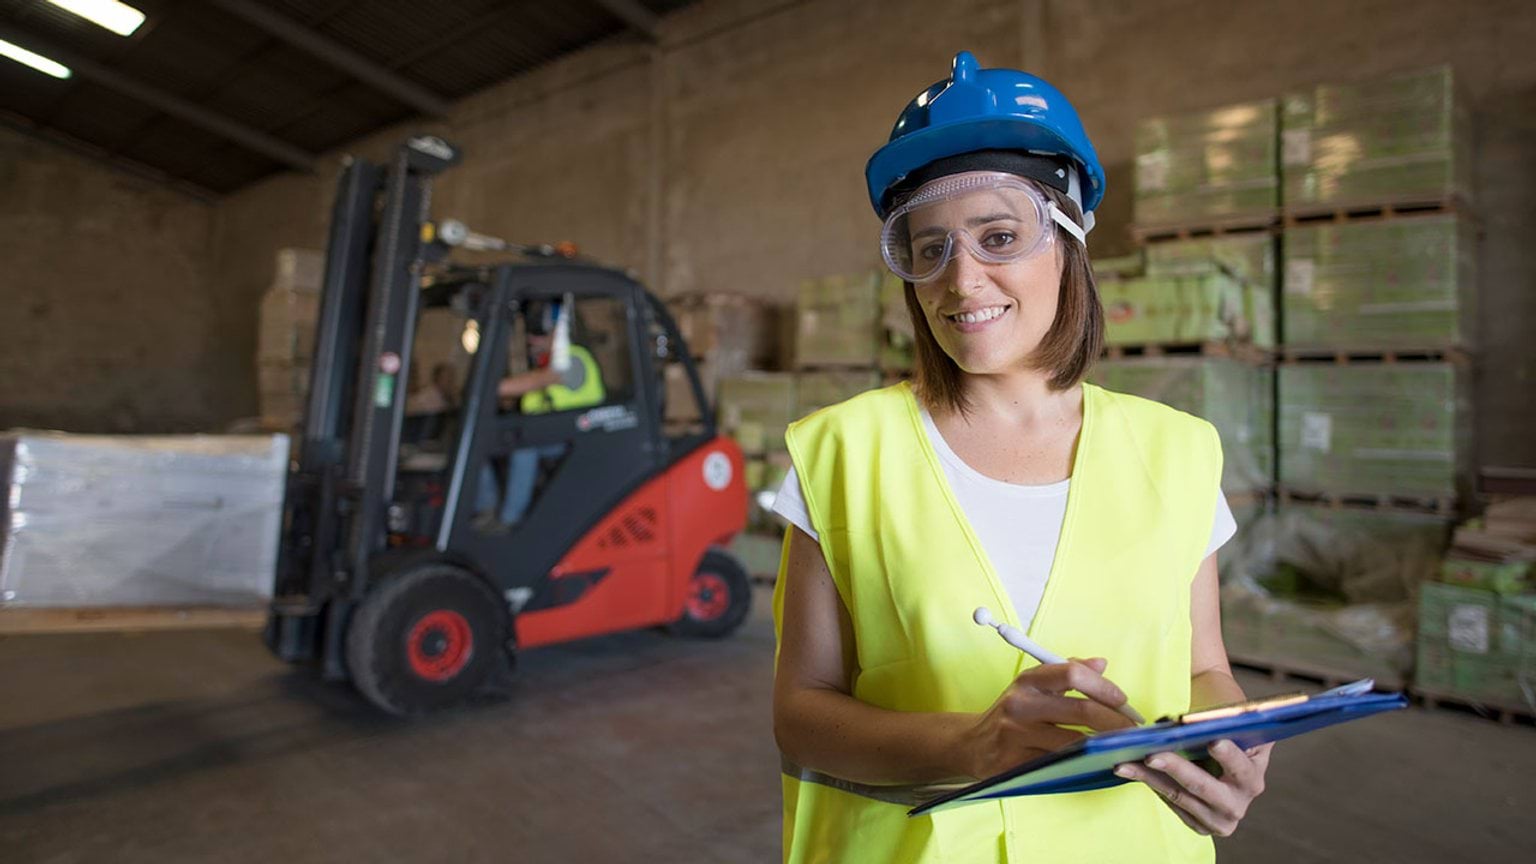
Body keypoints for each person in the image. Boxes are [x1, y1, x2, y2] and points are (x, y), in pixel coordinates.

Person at [769, 51, 1269, 863]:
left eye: (999, 236)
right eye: (927, 248)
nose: (961, 280)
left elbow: (1206, 669)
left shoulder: (1178, 451)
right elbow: (802, 711)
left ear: (1069, 238)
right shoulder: (839, 454)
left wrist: (1231, 738)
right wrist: (969, 745)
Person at [475, 301, 605, 527]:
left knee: (525, 447)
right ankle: (485, 508)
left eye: (538, 334)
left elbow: (542, 381)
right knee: (479, 442)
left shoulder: (574, 359)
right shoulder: (546, 365)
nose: (530, 340)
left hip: (578, 438)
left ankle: (509, 521)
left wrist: (489, 387)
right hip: (550, 433)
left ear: (558, 332)